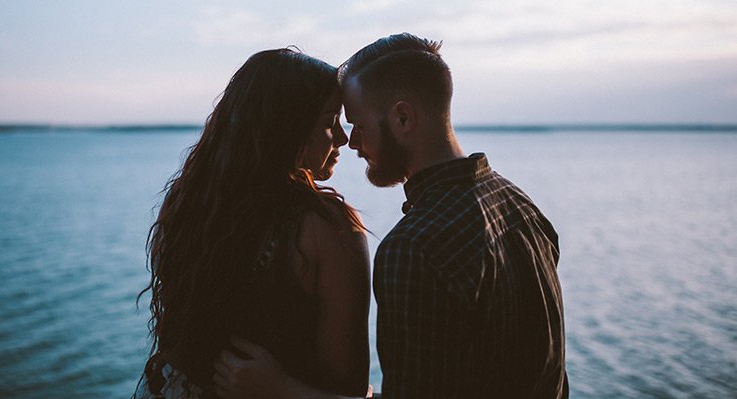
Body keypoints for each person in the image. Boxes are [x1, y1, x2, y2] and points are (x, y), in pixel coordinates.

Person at [212, 33, 568, 398]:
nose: (351, 142)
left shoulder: (415, 247)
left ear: (402, 117)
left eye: (358, 124)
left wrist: (278, 389)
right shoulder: (521, 207)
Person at [134, 48, 372, 399]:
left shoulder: (192, 204)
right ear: (287, 127)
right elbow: (349, 387)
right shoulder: (330, 230)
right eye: (328, 121)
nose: (342, 139)